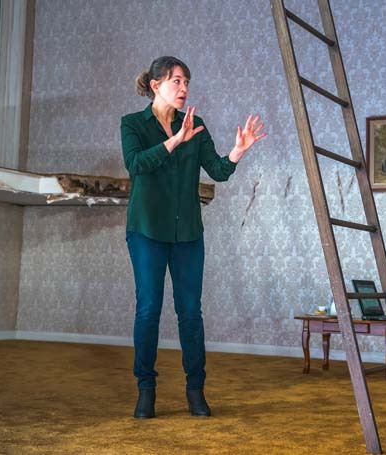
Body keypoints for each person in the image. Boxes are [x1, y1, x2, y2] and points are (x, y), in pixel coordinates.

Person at [121, 56, 266, 419]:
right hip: (146, 230)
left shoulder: (196, 125)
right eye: (177, 81)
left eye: (187, 82)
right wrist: (174, 141)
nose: (184, 89)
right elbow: (136, 164)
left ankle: (195, 390)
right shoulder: (133, 124)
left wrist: (238, 151)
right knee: (148, 309)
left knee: (190, 312)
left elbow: (218, 170)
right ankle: (146, 390)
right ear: (156, 85)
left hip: (187, 232)